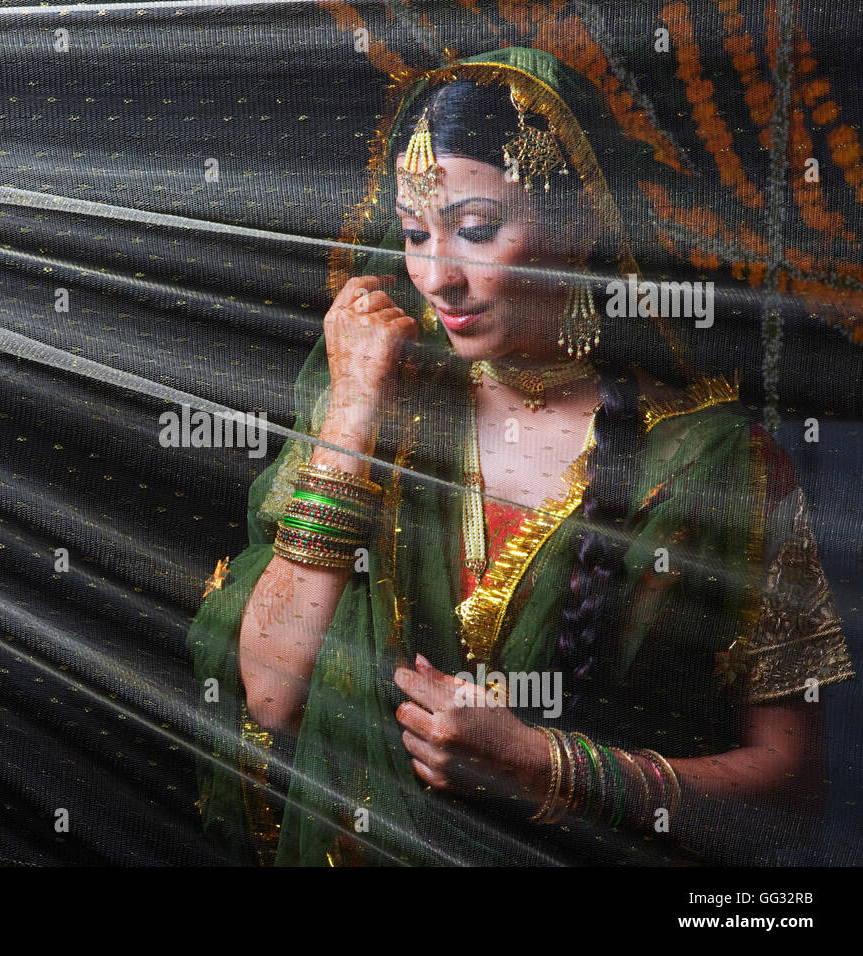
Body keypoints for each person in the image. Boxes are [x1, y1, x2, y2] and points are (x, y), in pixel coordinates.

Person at [187, 46, 855, 866]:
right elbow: (272, 693)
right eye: (412, 234)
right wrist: (355, 412)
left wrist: (545, 768)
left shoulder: (718, 464)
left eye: (475, 230)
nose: (436, 277)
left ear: (578, 225)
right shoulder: (375, 416)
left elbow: (792, 793)